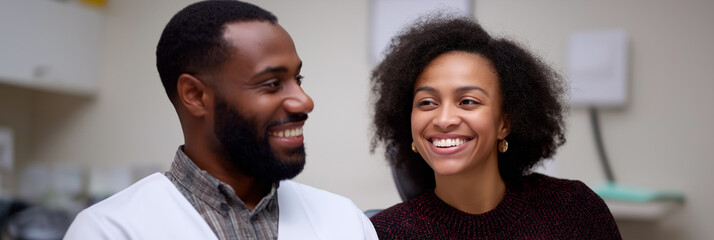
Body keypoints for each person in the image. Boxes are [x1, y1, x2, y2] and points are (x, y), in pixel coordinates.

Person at [64, 1, 377, 239]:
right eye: (271, 83)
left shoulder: (345, 221)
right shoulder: (111, 230)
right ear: (196, 95)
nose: (304, 101)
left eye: (298, 78)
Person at [368, 14, 621, 239]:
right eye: (427, 102)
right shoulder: (384, 233)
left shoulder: (574, 210)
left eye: (467, 101)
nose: (444, 120)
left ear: (505, 122)